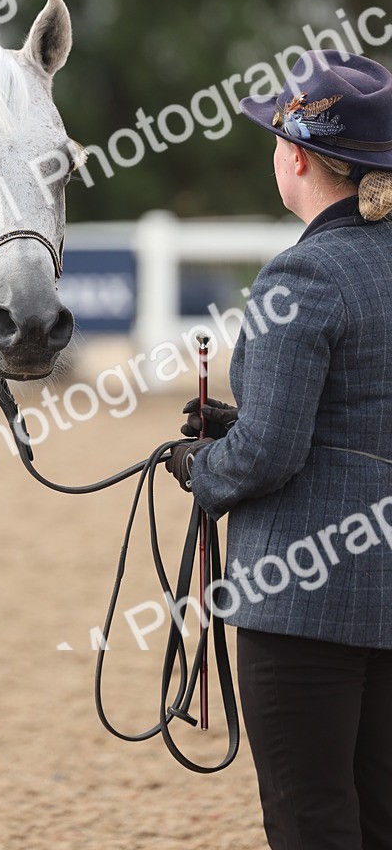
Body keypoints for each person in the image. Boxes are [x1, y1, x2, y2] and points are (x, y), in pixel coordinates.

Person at [165, 47, 392, 850]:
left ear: (295, 156)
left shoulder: (304, 277)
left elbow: (269, 456)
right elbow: (355, 418)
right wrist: (241, 422)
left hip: (306, 601)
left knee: (310, 820)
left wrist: (204, 468)